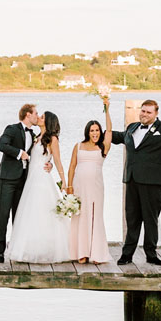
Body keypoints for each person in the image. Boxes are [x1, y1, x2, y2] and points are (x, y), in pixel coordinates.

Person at [110, 100, 161, 266]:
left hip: (153, 181)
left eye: (148, 112)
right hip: (132, 179)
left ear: (156, 113)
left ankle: (151, 254)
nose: (144, 114)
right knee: (132, 218)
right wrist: (99, 132)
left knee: (151, 219)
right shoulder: (132, 127)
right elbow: (117, 137)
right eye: (143, 111)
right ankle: (127, 254)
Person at [9, 111, 71, 262]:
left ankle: (47, 249)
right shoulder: (37, 137)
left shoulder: (53, 139)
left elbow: (57, 160)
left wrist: (64, 180)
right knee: (30, 213)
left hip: (42, 178)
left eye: (42, 117)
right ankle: (31, 247)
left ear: (48, 121)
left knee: (42, 212)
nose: (39, 118)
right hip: (31, 178)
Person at [66, 99, 113, 264]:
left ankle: (96, 253)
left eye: (97, 130)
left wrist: (107, 109)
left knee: (94, 216)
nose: (95, 133)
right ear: (88, 132)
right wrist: (69, 186)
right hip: (79, 187)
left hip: (96, 187)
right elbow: (72, 166)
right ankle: (81, 252)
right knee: (81, 216)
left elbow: (110, 132)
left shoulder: (103, 148)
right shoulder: (78, 146)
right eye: (92, 130)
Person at [0, 103, 40, 262]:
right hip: (7, 178)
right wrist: (19, 153)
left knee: (19, 216)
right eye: (35, 113)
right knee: (3, 214)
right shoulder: (12, 129)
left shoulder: (33, 134)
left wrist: (48, 164)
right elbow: (1, 145)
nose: (37, 117)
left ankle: (16, 249)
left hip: (24, 179)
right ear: (28, 114)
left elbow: (37, 155)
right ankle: (0, 251)